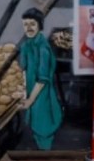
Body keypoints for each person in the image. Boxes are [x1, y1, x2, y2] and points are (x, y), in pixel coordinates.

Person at [17, 8, 63, 150]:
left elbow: (42, 80)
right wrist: (22, 93)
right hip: (30, 93)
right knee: (35, 131)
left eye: (32, 24)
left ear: (39, 25)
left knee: (43, 132)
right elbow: (21, 70)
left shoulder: (43, 49)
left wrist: (30, 101)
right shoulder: (25, 45)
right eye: (25, 24)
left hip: (42, 96)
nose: (29, 28)